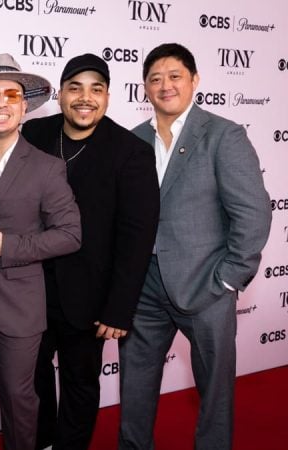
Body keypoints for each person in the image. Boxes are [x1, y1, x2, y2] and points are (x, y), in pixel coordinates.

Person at [117, 43, 271, 450]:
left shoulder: (224, 135)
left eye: (174, 76)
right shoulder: (133, 140)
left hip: (206, 285)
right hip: (144, 287)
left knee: (215, 388)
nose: (164, 85)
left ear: (195, 80)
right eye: (154, 79)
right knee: (134, 382)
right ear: (144, 89)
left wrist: (228, 279)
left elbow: (253, 213)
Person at [21, 53, 160, 450]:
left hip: (91, 298)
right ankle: (41, 440)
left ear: (108, 97)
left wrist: (119, 309)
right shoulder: (34, 134)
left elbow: (137, 236)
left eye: (96, 89)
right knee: (32, 377)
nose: (85, 98)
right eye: (75, 88)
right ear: (61, 94)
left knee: (80, 383)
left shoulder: (129, 151)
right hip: (30, 288)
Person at [0, 53, 82, 450]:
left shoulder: (46, 167)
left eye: (12, 95)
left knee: (19, 402)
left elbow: (71, 234)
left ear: (25, 106)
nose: (2, 103)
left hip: (20, 307)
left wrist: (7, 247)